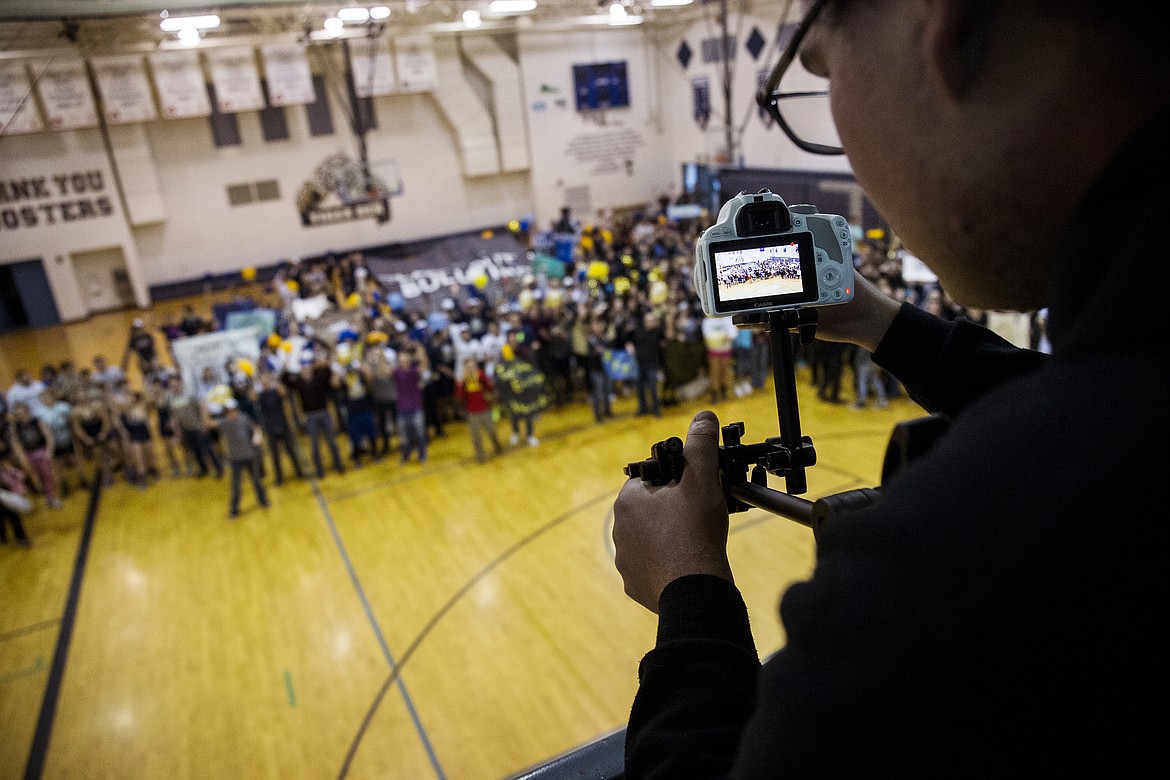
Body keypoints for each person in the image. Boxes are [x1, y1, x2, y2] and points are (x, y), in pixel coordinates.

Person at [611, 1, 1170, 776]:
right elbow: (1080, 401)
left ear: (944, 30)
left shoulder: (959, 564)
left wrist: (689, 590)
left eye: (822, 72)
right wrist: (886, 325)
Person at [217, 398, 269, 519]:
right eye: (229, 411)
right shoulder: (224, 423)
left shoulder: (244, 418)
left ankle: (263, 501)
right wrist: (204, 409)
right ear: (226, 412)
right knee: (236, 485)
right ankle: (234, 510)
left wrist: (257, 436)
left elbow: (255, 428)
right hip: (235, 459)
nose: (231, 413)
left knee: (256, 480)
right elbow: (209, 424)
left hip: (249, 456)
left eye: (233, 410)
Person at [455, 357, 502, 463]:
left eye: (472, 365)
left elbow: (489, 387)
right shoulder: (463, 379)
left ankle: (497, 447)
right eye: (468, 366)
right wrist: (459, 383)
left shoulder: (480, 374)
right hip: (472, 411)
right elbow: (459, 396)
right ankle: (480, 456)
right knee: (476, 436)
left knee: (491, 431)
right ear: (465, 367)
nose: (471, 368)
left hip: (484, 408)